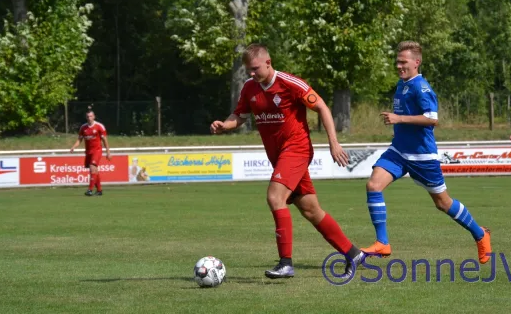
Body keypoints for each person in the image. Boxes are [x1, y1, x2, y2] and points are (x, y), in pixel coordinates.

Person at [210, 43, 363, 279]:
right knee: (311, 210)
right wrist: (225, 125)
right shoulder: (250, 88)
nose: (251, 74)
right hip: (278, 155)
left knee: (274, 196)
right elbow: (239, 115)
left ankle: (286, 263)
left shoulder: (290, 83)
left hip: (297, 149)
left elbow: (321, 106)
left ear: (268, 63)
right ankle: (353, 253)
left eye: (255, 68)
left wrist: (333, 142)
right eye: (248, 70)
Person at [360, 41, 492, 264]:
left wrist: (399, 118)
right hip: (399, 151)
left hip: (422, 157)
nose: (399, 65)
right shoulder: (402, 85)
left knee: (443, 203)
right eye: (397, 61)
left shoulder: (422, 88)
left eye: (403, 62)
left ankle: (480, 234)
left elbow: (432, 119)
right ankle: (382, 243)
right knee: (373, 186)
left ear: (416, 62)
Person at [70, 108, 111, 196]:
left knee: (92, 167)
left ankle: (90, 190)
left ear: (94, 117)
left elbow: (105, 140)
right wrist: (73, 147)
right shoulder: (83, 127)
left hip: (97, 151)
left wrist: (108, 152)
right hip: (88, 152)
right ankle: (99, 190)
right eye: (88, 116)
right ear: (86, 117)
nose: (89, 118)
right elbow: (79, 140)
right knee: (94, 171)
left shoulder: (99, 126)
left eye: (91, 116)